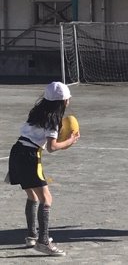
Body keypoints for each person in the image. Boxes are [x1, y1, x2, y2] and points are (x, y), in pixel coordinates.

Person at [7, 81, 80, 256]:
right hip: (30, 156)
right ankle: (43, 241)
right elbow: (51, 147)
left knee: (32, 195)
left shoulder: (38, 111)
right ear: (63, 101)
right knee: (46, 199)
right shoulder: (53, 118)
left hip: (17, 151)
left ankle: (32, 236)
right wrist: (70, 141)